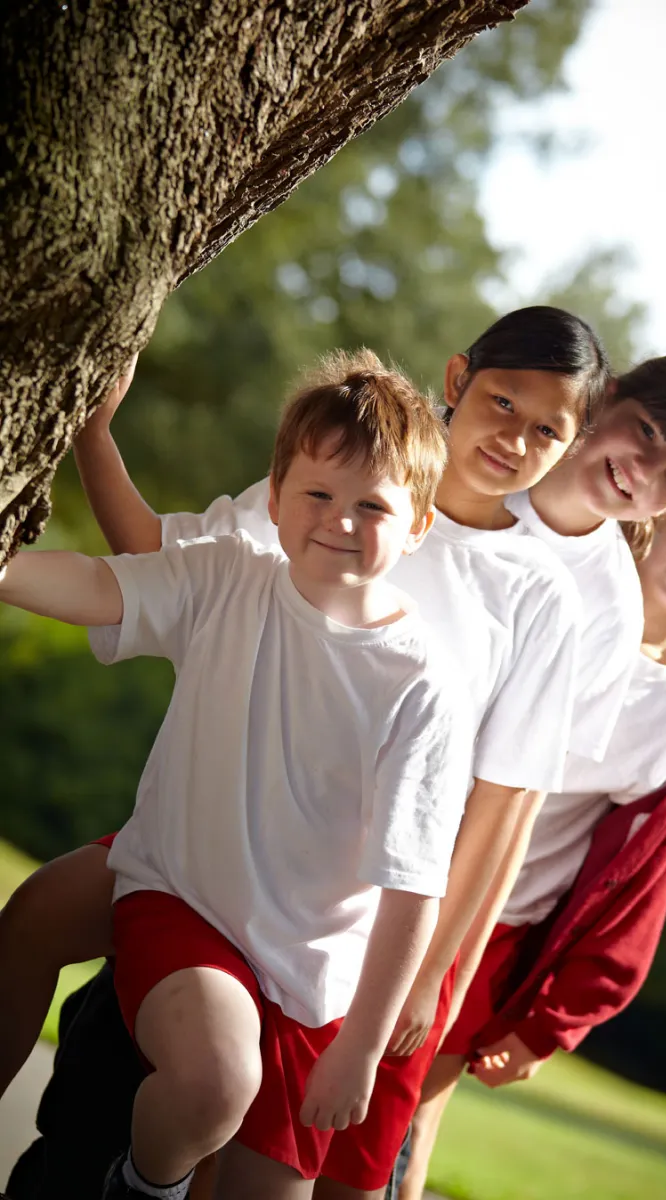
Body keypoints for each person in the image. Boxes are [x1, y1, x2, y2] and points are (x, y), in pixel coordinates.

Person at [2, 312, 666, 1195]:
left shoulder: (563, 595)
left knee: (244, 1135)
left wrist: (431, 979)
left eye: (544, 426)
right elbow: (168, 569)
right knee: (61, 964)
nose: (514, 436)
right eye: (501, 403)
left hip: (342, 909)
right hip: (212, 843)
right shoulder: (359, 469)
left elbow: (504, 806)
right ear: (459, 379)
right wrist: (94, 432)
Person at [0, 351, 478, 1200]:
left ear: (419, 527)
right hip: (184, 896)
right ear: (275, 497)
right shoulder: (228, 578)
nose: (339, 519)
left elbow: (410, 888)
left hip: (309, 975)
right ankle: (144, 1188)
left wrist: (361, 1046)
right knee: (215, 1083)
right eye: (318, 495)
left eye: (373, 505)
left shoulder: (421, 685)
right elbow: (94, 585)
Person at [396, 456, 666, 1200]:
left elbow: (644, 872)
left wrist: (554, 1021)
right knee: (304, 1079)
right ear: (661, 516)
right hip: (393, 861)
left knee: (408, 1131)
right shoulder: (562, 587)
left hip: (497, 924)